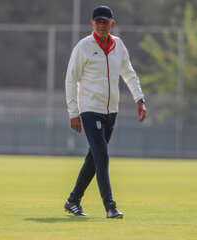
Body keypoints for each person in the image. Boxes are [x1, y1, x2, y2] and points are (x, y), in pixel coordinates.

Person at [64, 5, 147, 219]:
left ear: (112, 24)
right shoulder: (83, 47)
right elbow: (71, 80)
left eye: (105, 22)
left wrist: (139, 98)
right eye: (98, 22)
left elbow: (129, 74)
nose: (102, 25)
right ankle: (110, 206)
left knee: (94, 158)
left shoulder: (118, 46)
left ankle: (73, 200)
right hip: (90, 110)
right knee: (102, 155)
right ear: (92, 24)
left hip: (111, 112)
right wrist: (73, 112)